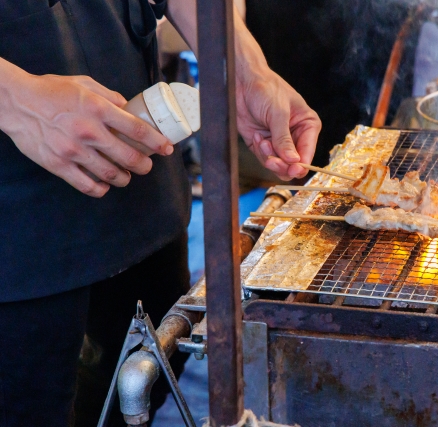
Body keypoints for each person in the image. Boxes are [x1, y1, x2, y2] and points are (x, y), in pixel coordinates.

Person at [0, 0, 321, 426]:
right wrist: (14, 98)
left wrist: (243, 67)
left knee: (141, 389)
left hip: (141, 192)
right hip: (17, 237)